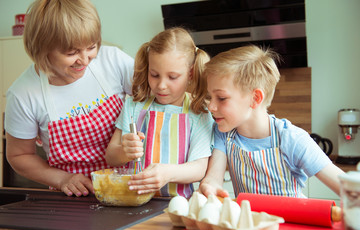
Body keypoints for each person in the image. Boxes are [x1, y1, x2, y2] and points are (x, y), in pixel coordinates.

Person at [5, 0, 134, 197]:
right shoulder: (24, 94)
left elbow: (155, 100)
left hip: (131, 187)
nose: (84, 60)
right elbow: (19, 155)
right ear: (42, 49)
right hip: (74, 198)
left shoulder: (113, 61)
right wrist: (62, 179)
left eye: (91, 47)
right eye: (72, 52)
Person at [199, 45, 344, 198]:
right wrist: (209, 186)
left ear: (255, 98)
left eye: (221, 98)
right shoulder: (224, 133)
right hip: (250, 221)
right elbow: (214, 178)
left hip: (290, 220)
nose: (211, 106)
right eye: (210, 97)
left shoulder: (292, 139)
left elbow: (346, 187)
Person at [105, 27, 214, 198]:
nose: (161, 85)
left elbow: (199, 168)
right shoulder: (134, 106)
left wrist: (167, 173)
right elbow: (110, 157)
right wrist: (124, 152)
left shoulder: (199, 112)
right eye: (154, 74)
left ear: (191, 73)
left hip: (176, 204)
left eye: (172, 77)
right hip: (132, 201)